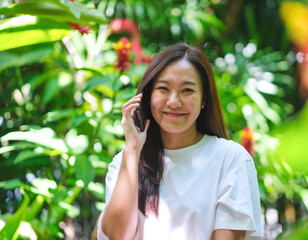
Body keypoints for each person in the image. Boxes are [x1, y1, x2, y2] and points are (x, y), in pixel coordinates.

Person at [97, 43, 262, 240]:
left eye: (187, 90)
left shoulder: (231, 159)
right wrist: (132, 149)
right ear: (148, 96)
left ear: (204, 100)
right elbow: (118, 235)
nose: (174, 102)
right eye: (163, 88)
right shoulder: (124, 163)